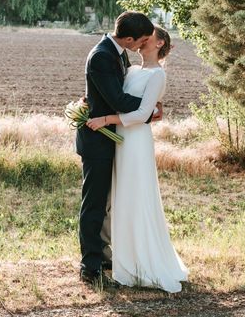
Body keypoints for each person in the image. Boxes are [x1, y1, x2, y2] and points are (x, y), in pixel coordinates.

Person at [86, 25, 188, 293]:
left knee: (137, 196)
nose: (144, 38)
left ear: (159, 43)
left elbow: (142, 114)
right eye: (143, 34)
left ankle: (143, 259)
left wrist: (105, 119)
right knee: (120, 198)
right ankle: (123, 258)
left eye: (150, 35)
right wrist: (90, 100)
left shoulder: (158, 76)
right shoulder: (130, 69)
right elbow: (115, 96)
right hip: (119, 141)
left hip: (135, 142)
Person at [75, 11, 161, 286]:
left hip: (113, 137)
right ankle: (90, 266)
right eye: (141, 40)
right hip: (97, 139)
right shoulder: (102, 55)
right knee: (94, 204)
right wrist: (148, 111)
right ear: (128, 38)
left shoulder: (119, 53)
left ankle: (104, 255)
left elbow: (109, 93)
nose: (141, 46)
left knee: (108, 203)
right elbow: (119, 100)